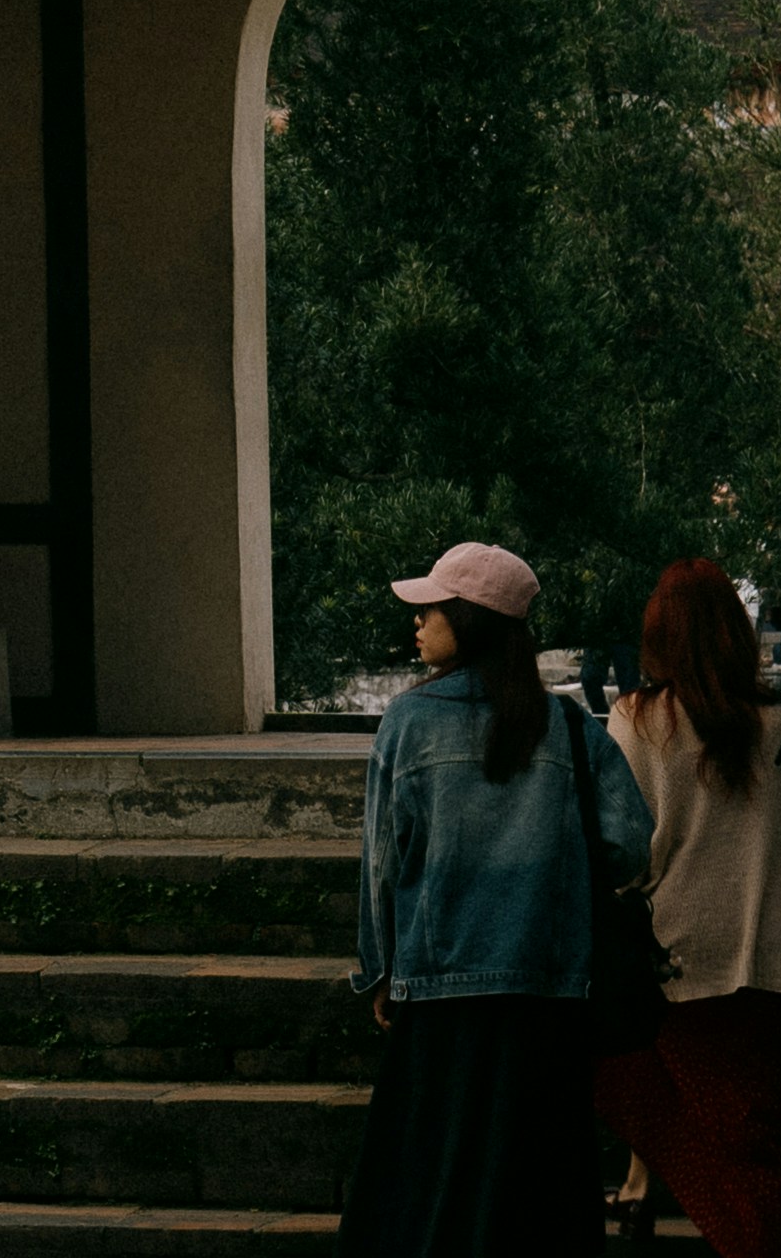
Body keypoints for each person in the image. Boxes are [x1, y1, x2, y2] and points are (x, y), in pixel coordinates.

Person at [340, 539, 650, 1258]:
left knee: (430, 1189)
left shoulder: (407, 724)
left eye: (431, 610)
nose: (416, 623)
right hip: (548, 993)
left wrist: (377, 970)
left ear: (470, 619)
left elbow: (380, 863)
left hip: (438, 990)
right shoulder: (570, 728)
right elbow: (631, 845)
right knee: (534, 1196)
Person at [590, 555, 781, 1258]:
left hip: (680, 968)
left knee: (649, 1099)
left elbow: (618, 849)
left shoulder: (638, 721)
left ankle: (733, 1233)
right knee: (756, 1146)